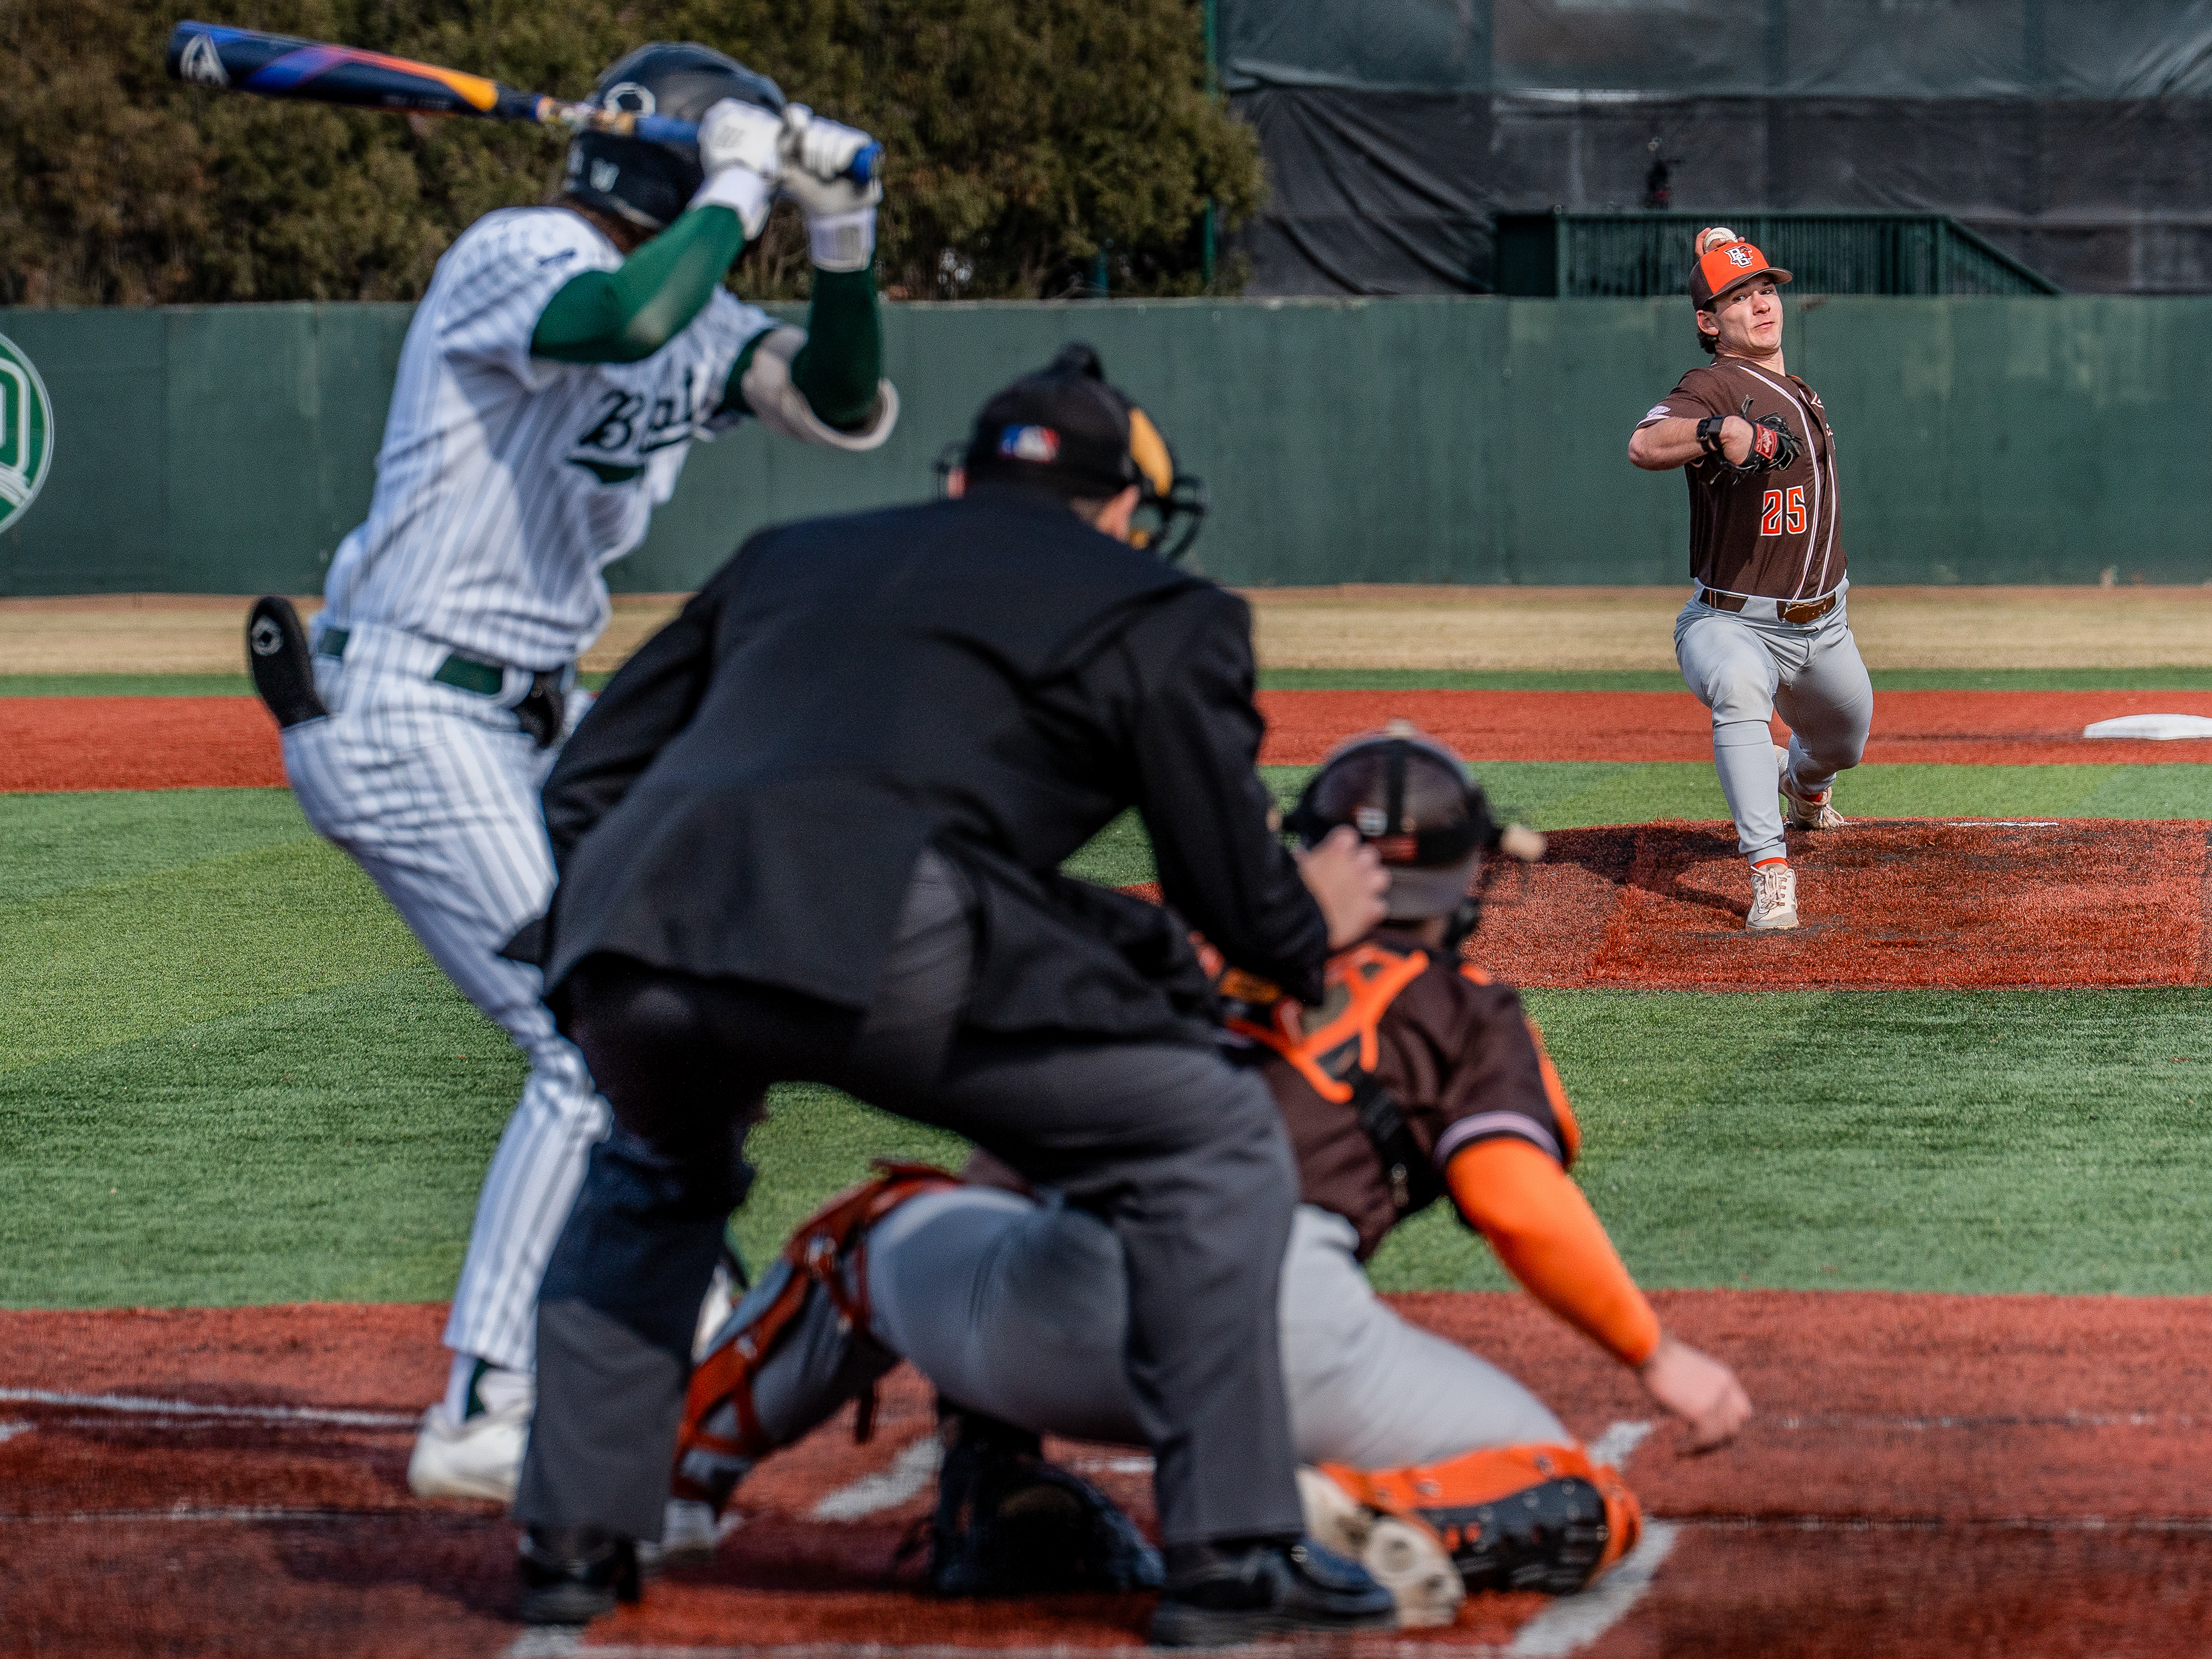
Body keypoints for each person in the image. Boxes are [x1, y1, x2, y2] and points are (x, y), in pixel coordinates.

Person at [506, 346, 1402, 1643]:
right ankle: (1236, 1554)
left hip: (627, 927)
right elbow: (1226, 893)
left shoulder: (784, 555)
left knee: (654, 1168)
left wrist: (643, 950)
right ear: (1115, 508)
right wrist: (1303, 918)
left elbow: (585, 786)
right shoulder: (1163, 605)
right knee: (1202, 1138)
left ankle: (571, 1546)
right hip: (879, 923)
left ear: (963, 475)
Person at [674, 725, 1754, 1628]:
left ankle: (688, 1480)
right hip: (1277, 1346)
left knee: (881, 1229)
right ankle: (1361, 1512)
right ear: (1460, 874)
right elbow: (1514, 1198)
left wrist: (984, 1375)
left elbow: (1003, 1154)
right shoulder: (1459, 1003)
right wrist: (1656, 1358)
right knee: (1573, 1488)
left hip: (1039, 1308)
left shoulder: (1168, 941)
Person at [239, 41, 898, 1502]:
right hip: (409, 699)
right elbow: (617, 318)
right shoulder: (517, 252)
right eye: (717, 158)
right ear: (672, 163)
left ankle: (678, 1302)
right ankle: (490, 1402)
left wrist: (839, 227)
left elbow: (844, 401)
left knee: (683, 1009)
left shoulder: (700, 307)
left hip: (542, 721)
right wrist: (742, 176)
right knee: (594, 1038)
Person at [1626, 225, 1874, 932]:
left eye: (1765, 289)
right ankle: (1769, 869)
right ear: (1709, 321)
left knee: (1843, 746)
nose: (1761, 304)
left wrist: (1724, 247)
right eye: (1738, 297)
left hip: (1824, 626)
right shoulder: (1712, 385)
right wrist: (1714, 433)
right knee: (1738, 690)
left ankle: (1803, 788)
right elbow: (1645, 444)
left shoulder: (1792, 386)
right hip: (1731, 620)